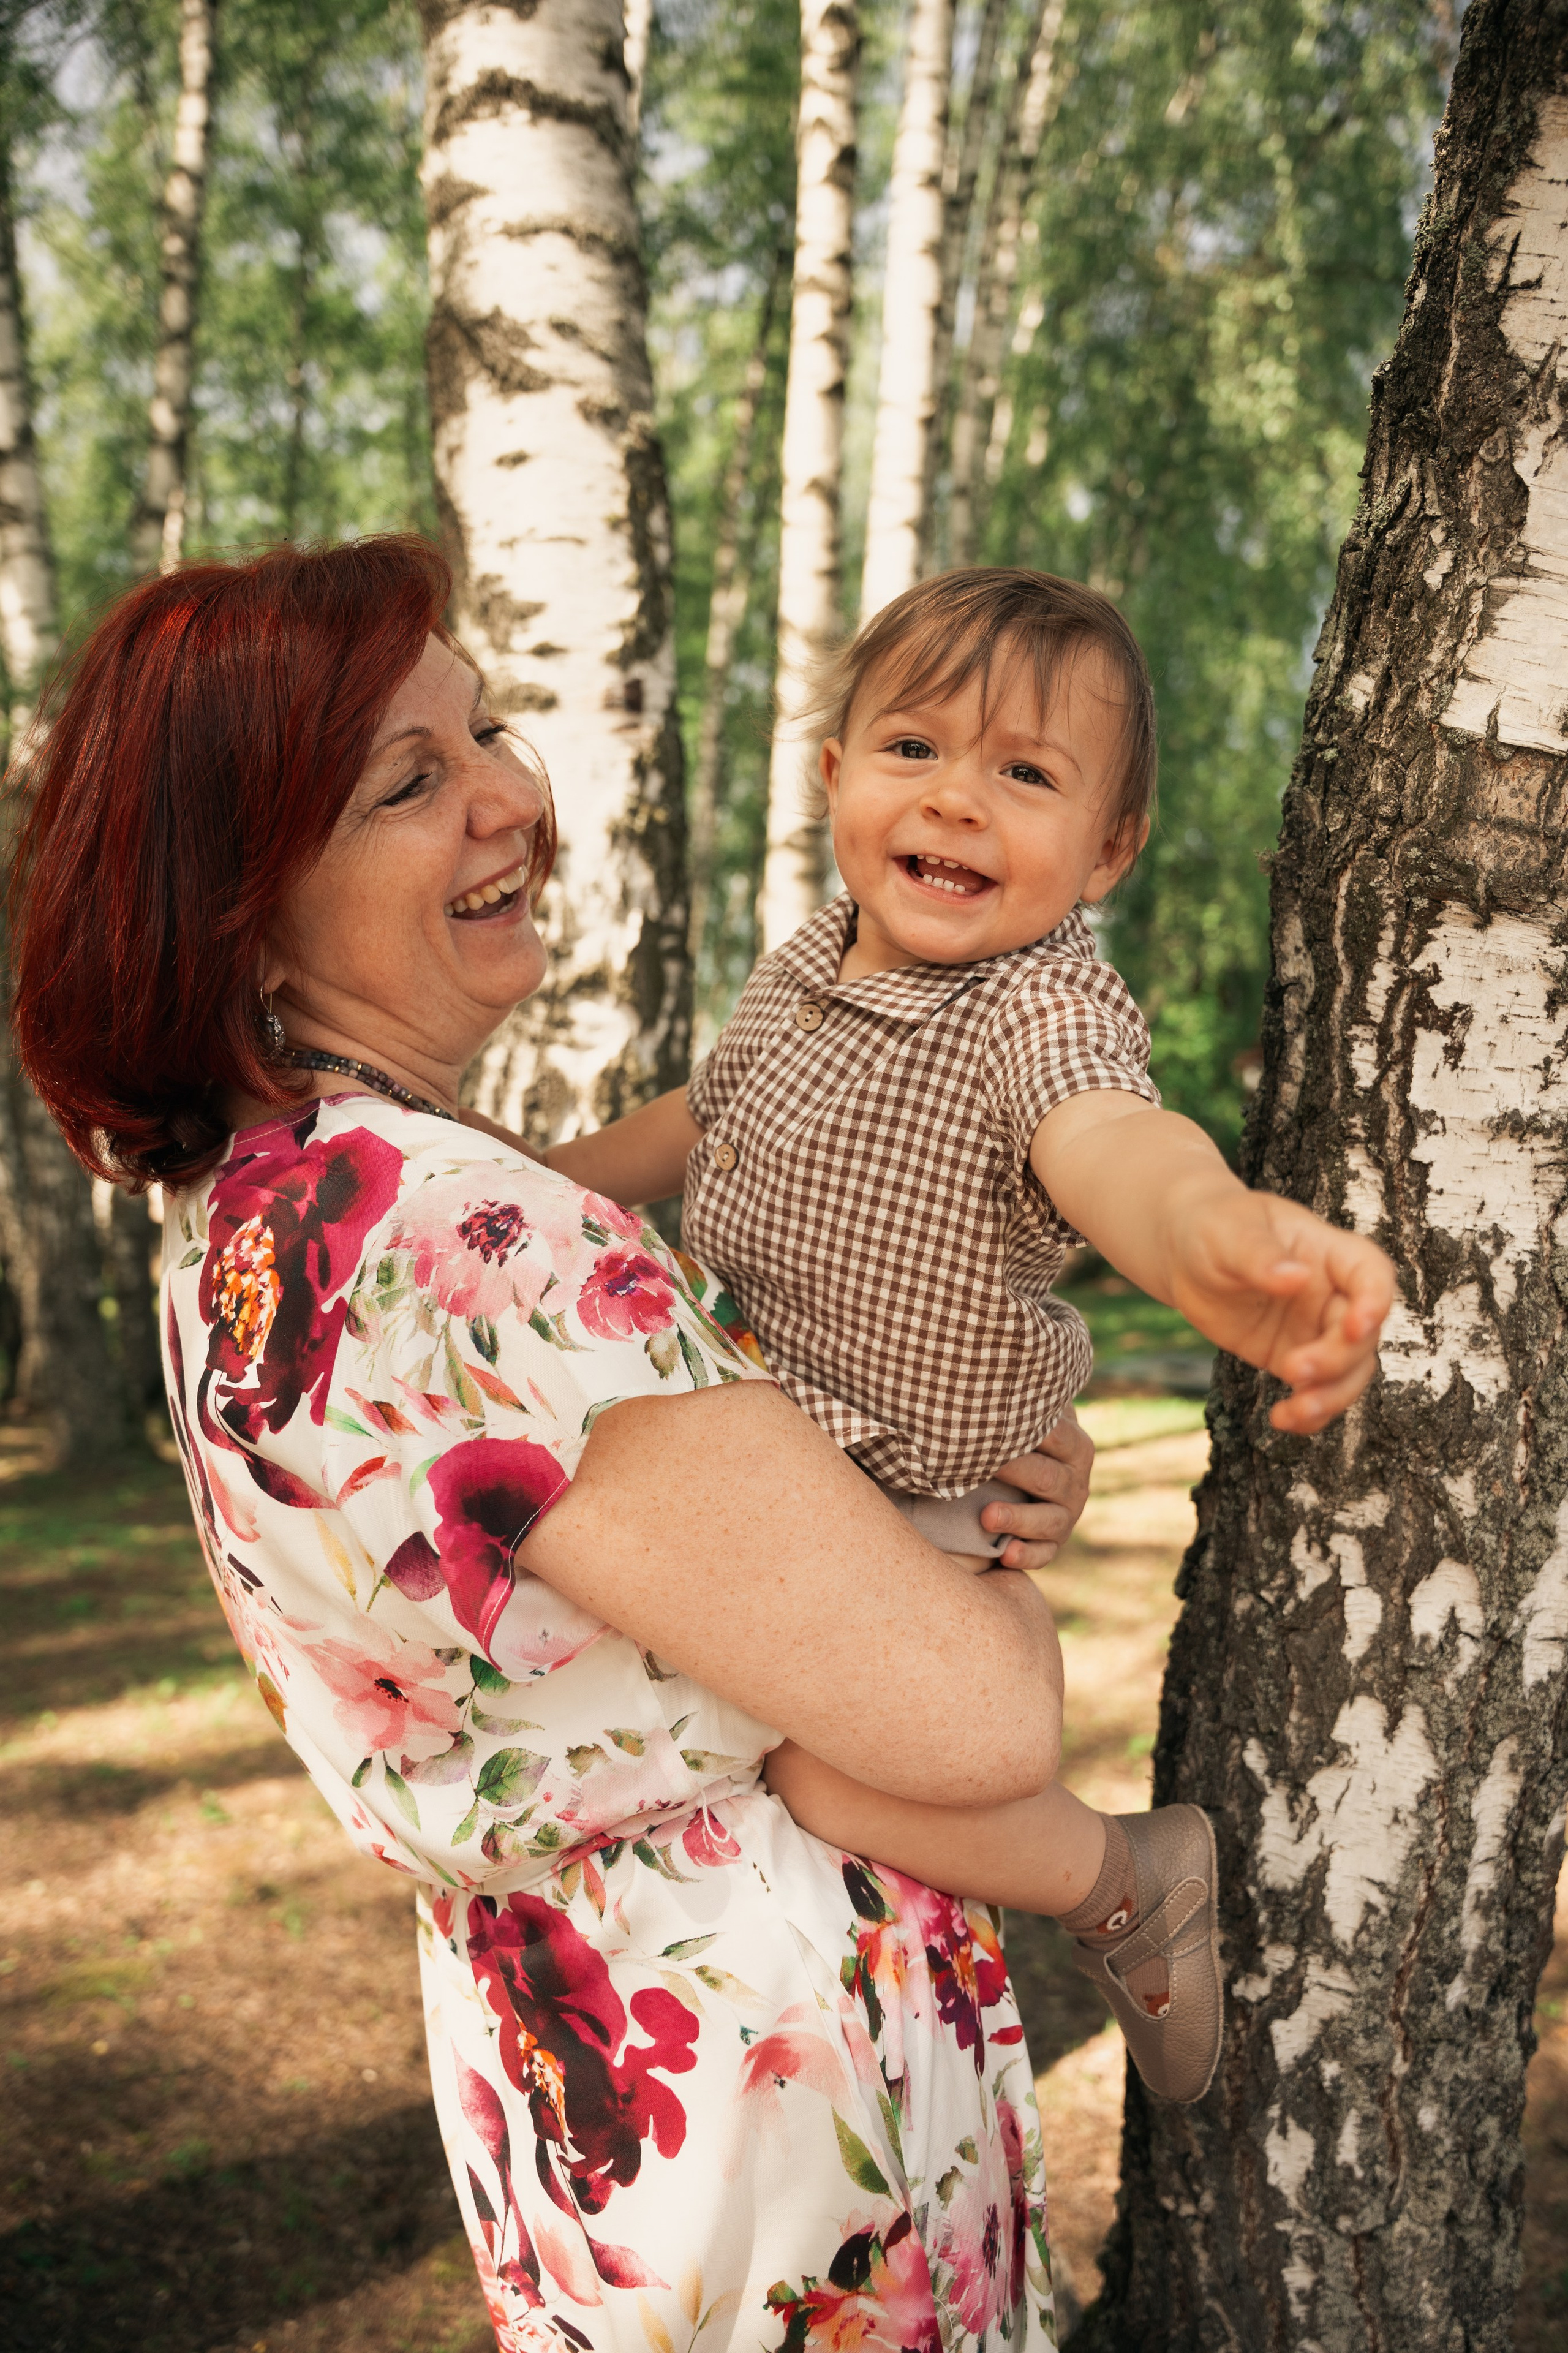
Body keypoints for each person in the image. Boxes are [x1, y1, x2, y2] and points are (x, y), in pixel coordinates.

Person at [10, 537, 1100, 2353]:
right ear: (242, 895)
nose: (518, 796)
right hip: (760, 2125)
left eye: (491, 728)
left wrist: (928, 1443)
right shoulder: (457, 1232)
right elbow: (978, 1720)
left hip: (581, 2085)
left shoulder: (258, 1222)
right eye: (412, 780)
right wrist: (971, 1552)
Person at [530, 568, 1395, 2107]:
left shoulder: (1030, 1007)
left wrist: (1204, 1241)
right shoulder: (804, 965)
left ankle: (1124, 1881)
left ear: (1107, 849)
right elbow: (703, 1113)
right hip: (779, 1480)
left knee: (820, 1767)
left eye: (1025, 773)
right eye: (914, 748)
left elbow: (1111, 1138)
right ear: (834, 777)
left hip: (918, 1504)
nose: (958, 802)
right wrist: (533, 1182)